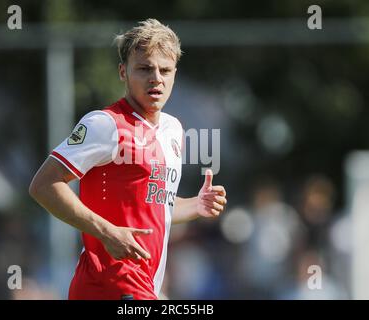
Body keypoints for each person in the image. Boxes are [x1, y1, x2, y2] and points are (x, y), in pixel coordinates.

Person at [29, 18, 227, 300]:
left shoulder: (173, 130)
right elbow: (43, 185)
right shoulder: (105, 124)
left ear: (174, 75)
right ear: (123, 72)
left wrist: (197, 204)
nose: (155, 78)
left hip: (143, 288)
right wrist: (107, 232)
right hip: (111, 286)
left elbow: (153, 209)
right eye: (144, 69)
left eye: (165, 70)